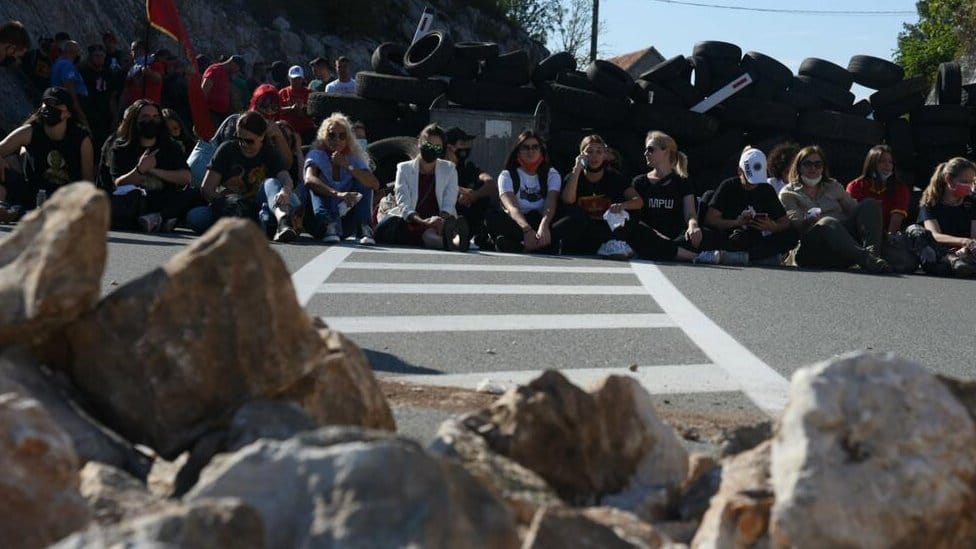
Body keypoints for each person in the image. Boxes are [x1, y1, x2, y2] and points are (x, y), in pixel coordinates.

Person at [188, 111, 300, 242]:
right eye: (239, 138)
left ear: (262, 137)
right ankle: (255, 226)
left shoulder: (269, 152)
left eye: (249, 141)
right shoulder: (227, 149)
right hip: (233, 207)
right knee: (195, 217)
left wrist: (285, 191)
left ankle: (283, 222)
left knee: (271, 183)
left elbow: (285, 178)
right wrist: (225, 200)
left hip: (260, 205)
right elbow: (206, 189)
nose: (243, 144)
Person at [779, 145, 890, 273]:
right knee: (827, 222)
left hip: (843, 245)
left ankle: (873, 256)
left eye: (817, 164)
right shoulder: (788, 193)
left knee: (870, 204)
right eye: (807, 164)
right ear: (798, 167)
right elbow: (796, 225)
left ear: (823, 167)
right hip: (812, 249)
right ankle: (866, 258)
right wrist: (810, 220)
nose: (813, 168)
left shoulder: (833, 186)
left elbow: (855, 210)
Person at [626, 131, 719, 263]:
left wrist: (693, 226)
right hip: (650, 234)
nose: (646, 153)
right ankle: (694, 257)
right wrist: (656, 235)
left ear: (666, 151)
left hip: (675, 234)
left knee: (702, 235)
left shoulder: (682, 182)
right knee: (638, 234)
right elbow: (636, 217)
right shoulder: (639, 182)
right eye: (646, 150)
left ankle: (669, 251)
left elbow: (690, 214)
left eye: (651, 149)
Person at [0, 87, 94, 216]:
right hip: (31, 192)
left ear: (68, 113)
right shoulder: (29, 131)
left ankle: (18, 213)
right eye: (47, 103)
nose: (49, 108)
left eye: (56, 105)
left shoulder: (81, 139)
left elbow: (87, 182)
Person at [375, 124, 468, 251]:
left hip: (439, 219)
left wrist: (441, 219)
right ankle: (452, 242)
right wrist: (425, 222)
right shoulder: (404, 168)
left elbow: (449, 201)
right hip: (411, 221)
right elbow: (404, 204)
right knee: (427, 235)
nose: (432, 149)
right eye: (429, 145)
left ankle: (454, 239)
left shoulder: (449, 169)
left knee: (434, 232)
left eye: (437, 147)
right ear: (420, 144)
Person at [108, 99, 196, 232]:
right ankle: (162, 221)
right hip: (136, 201)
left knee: (193, 193)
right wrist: (140, 169)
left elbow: (186, 177)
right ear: (135, 120)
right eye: (146, 117)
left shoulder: (171, 146)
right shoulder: (121, 148)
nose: (151, 121)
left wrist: (153, 170)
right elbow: (119, 183)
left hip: (164, 199)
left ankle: (159, 218)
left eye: (155, 117)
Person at [703, 147, 798, 266]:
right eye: (748, 181)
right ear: (739, 171)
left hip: (757, 238)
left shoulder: (766, 189)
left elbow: (785, 222)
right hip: (731, 236)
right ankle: (755, 258)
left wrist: (772, 226)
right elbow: (710, 219)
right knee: (706, 234)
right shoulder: (728, 186)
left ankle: (742, 258)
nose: (752, 185)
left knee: (791, 235)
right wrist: (736, 222)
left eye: (756, 181)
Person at [303, 113, 379, 244]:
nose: (337, 140)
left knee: (363, 181)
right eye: (332, 135)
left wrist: (347, 165)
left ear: (347, 139)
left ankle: (364, 228)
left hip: (345, 223)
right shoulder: (316, 154)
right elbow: (309, 179)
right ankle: (328, 225)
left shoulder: (353, 157)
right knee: (314, 186)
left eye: (342, 136)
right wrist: (337, 194)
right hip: (318, 220)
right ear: (324, 137)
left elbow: (374, 184)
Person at [555, 134, 634, 257]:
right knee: (575, 215)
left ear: (605, 155)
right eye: (589, 152)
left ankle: (614, 245)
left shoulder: (614, 177)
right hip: (581, 231)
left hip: (604, 231)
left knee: (627, 213)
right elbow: (568, 200)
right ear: (582, 155)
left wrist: (622, 205)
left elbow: (638, 201)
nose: (594, 156)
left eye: (599, 151)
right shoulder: (573, 177)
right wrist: (577, 169)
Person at [485, 130, 562, 253]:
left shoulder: (552, 174)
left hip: (542, 220)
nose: (531, 151)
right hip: (519, 222)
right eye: (525, 148)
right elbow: (512, 208)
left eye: (535, 147)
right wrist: (527, 230)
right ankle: (541, 246)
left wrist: (544, 226)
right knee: (492, 217)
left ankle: (521, 246)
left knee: (573, 219)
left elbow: (551, 203)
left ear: (541, 150)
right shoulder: (507, 175)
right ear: (518, 151)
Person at [917, 156, 976, 277]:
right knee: (915, 230)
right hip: (939, 254)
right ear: (949, 179)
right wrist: (963, 241)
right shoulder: (930, 203)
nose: (969, 186)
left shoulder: (972, 204)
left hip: (965, 254)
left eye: (972, 182)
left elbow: (974, 237)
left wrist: (967, 248)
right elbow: (935, 235)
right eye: (965, 182)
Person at [444, 126, 495, 249]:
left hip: (467, 213)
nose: (466, 148)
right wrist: (459, 191)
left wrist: (474, 195)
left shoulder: (468, 167)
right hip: (446, 213)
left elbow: (490, 183)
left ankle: (474, 235)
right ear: (450, 148)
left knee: (483, 196)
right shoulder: (440, 167)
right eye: (462, 144)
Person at [846, 145, 910, 234]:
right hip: (859, 234)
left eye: (890, 162)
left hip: (887, 236)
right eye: (882, 161)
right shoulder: (855, 186)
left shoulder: (900, 188)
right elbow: (851, 216)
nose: (887, 165)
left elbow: (896, 218)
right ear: (871, 163)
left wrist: (889, 239)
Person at [80, 43, 120, 152]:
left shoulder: (108, 73)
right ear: (90, 57)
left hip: (105, 118)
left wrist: (115, 117)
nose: (100, 58)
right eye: (96, 56)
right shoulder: (82, 73)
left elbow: (112, 97)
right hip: (88, 117)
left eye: (102, 55)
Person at [50, 40, 90, 129]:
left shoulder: (60, 63)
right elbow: (69, 86)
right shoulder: (66, 64)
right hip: (71, 104)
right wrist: (78, 110)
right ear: (74, 52)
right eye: (78, 51)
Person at [201, 55, 244, 127]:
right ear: (233, 63)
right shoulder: (215, 70)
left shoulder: (226, 74)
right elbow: (204, 90)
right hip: (212, 112)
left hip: (222, 113)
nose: (237, 71)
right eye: (237, 68)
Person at [122, 40, 165, 107]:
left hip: (150, 105)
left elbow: (159, 79)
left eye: (133, 50)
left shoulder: (154, 64)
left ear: (140, 50)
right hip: (134, 106)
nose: (131, 53)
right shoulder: (132, 70)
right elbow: (126, 92)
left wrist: (149, 72)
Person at [279, 65, 315, 143]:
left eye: (299, 79)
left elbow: (313, 113)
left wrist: (302, 109)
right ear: (289, 78)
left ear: (302, 79)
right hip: (288, 132)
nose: (297, 81)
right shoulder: (282, 92)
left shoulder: (309, 93)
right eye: (294, 79)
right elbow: (277, 110)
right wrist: (291, 108)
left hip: (306, 131)